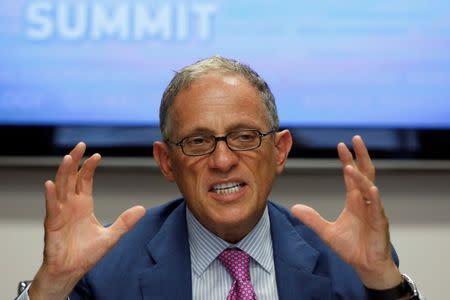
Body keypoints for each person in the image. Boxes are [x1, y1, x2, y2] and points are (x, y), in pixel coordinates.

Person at [17, 56, 421, 299]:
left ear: (279, 150)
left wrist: (384, 281)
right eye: (197, 141)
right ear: (166, 161)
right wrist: (51, 285)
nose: (223, 160)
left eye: (245, 137)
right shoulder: (106, 268)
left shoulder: (347, 263)